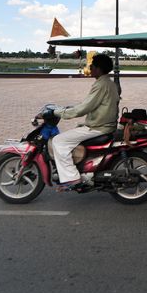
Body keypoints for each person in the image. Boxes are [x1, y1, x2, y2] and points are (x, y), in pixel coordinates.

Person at [50, 53, 119, 191]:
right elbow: (88, 104)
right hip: (104, 125)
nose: (90, 68)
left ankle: (71, 177)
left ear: (99, 68)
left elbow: (84, 108)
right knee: (73, 133)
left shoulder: (101, 84)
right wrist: (68, 108)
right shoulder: (108, 82)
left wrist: (58, 112)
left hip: (99, 127)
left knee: (59, 141)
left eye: (92, 66)